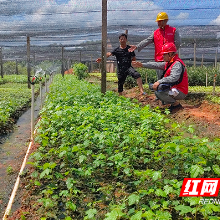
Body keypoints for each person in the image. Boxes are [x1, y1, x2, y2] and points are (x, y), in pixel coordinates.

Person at [132, 42, 188, 113]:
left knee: (159, 92)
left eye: (164, 54)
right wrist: (142, 65)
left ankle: (176, 105)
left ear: (170, 54)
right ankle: (171, 104)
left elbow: (174, 77)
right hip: (175, 89)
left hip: (180, 91)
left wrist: (159, 81)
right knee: (158, 90)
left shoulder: (177, 64)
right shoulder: (170, 63)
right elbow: (156, 65)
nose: (163, 56)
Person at [128, 12, 181, 81]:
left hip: (170, 60)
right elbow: (147, 40)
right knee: (160, 79)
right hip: (159, 60)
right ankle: (161, 91)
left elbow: (178, 43)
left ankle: (171, 91)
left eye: (159, 21)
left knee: (171, 78)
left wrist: (171, 53)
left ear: (164, 21)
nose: (157, 23)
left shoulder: (173, 31)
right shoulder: (156, 33)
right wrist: (137, 46)